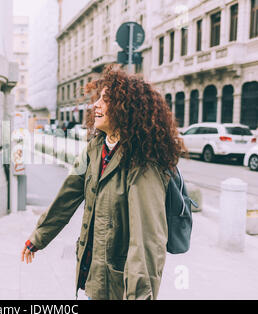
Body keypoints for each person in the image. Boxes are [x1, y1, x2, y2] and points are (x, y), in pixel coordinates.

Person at [20, 64, 186, 300]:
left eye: (104, 100)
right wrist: (38, 237)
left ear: (125, 108)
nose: (95, 105)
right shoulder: (95, 148)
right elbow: (67, 195)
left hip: (118, 288)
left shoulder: (143, 163)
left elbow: (147, 242)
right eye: (96, 98)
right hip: (91, 279)